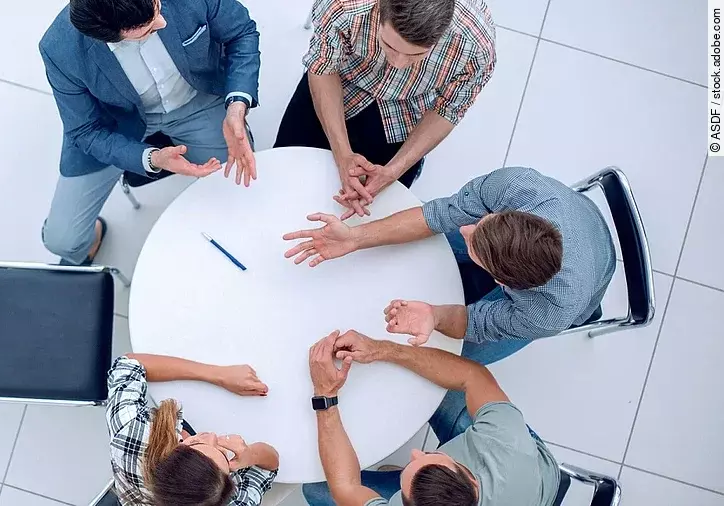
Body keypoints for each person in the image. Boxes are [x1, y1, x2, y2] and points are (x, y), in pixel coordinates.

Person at [283, 166, 616, 366]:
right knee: (434, 233)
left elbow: (477, 322)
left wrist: (435, 316)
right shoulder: (515, 186)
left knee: (458, 353)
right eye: (484, 223)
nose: (466, 229)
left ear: (502, 281)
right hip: (577, 215)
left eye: (473, 244)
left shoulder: (548, 311)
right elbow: (441, 215)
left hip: (591, 277)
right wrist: (354, 238)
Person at [39, 0, 262, 265]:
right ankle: (91, 240)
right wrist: (150, 159)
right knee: (62, 241)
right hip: (115, 125)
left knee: (239, 186)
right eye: (147, 29)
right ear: (107, 36)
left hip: (195, 102)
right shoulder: (60, 48)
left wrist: (237, 105)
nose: (163, 22)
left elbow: (242, 33)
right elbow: (85, 130)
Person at [274, 0, 495, 219]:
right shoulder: (342, 5)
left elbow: (448, 110)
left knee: (378, 213)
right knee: (282, 173)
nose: (398, 63)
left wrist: (392, 172)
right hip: (341, 79)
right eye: (389, 45)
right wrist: (343, 154)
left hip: (407, 108)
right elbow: (324, 67)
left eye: (415, 55)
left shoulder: (477, 47)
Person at [303, 329, 564, 506]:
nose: (416, 451)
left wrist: (325, 395)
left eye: (418, 460)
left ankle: (406, 480)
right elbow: (474, 376)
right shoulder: (505, 442)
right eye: (429, 458)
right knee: (435, 383)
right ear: (472, 478)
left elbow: (346, 488)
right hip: (530, 476)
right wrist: (382, 349)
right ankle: (406, 479)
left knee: (315, 489)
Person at [107, 353, 279, 505]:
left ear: (172, 453)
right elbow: (269, 467)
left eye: (196, 443)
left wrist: (218, 374)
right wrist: (250, 455)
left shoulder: (129, 436)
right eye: (223, 457)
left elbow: (129, 364)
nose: (212, 435)